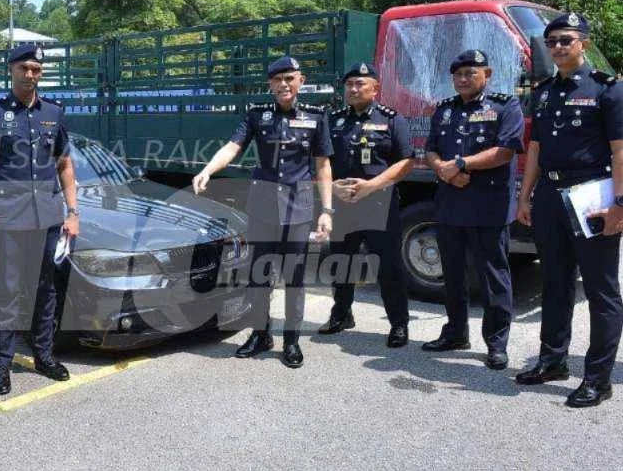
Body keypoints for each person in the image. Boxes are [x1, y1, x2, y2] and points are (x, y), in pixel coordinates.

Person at [192, 56, 333, 368]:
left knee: (294, 278)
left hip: (297, 209)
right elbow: (232, 147)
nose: (283, 84)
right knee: (258, 274)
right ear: (270, 83)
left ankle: (292, 341)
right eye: (277, 79)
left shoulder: (316, 117)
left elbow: (323, 165)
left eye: (290, 78)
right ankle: (260, 334)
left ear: (301, 81)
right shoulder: (257, 115)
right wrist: (207, 170)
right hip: (262, 207)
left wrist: (327, 210)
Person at [514, 12, 623, 408]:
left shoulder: (608, 89)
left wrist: (619, 204)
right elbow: (536, 150)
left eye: (566, 40)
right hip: (550, 196)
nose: (558, 47)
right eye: (552, 41)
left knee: (600, 289)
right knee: (555, 282)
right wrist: (525, 197)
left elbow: (620, 149)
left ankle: (597, 378)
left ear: (584, 44)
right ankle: (552, 361)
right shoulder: (543, 92)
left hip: (593, 195)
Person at [0, 43, 80, 395]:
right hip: (9, 218)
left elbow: (64, 165)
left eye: (36, 69)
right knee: (8, 292)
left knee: (46, 289)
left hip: (48, 217)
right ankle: (1, 364)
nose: (31, 75)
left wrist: (72, 212)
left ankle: (44, 356)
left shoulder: (54, 112)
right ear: (12, 70)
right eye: (25, 69)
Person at [422, 49, 524, 370]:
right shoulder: (444, 109)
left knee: (493, 276)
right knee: (452, 274)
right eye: (458, 75)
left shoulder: (505, 106)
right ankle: (455, 333)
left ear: (487, 74)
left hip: (488, 206)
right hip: (450, 203)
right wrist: (443, 170)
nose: (464, 79)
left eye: (471, 73)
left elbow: (505, 151)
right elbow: (430, 151)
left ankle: (496, 343)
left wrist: (461, 164)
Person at [319, 62, 414, 347]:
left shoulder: (392, 119)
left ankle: (398, 324)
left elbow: (407, 162)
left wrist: (372, 186)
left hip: (378, 204)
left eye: (360, 84)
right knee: (341, 263)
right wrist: (331, 188)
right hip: (344, 205)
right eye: (349, 84)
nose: (353, 88)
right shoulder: (333, 120)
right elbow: (321, 161)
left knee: (389, 267)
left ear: (375, 88)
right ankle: (341, 314)